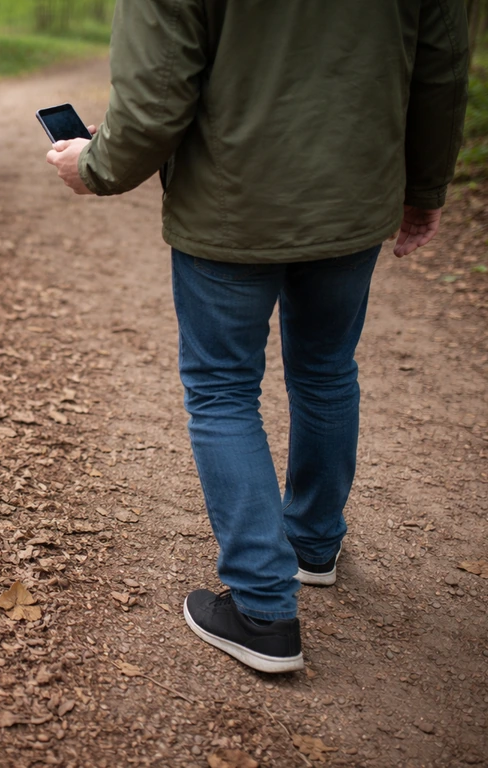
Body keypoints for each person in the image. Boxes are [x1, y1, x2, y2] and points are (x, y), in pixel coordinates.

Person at [46, 0, 468, 674]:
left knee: (221, 389)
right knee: (328, 368)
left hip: (230, 203)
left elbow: (157, 93)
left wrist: (95, 164)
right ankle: (312, 546)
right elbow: (441, 68)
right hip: (353, 198)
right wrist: (425, 184)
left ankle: (264, 613)